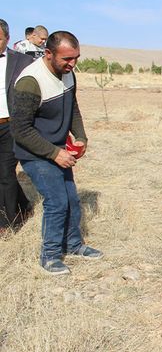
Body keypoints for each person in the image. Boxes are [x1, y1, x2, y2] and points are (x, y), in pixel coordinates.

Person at [11, 31, 102, 275]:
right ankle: (50, 256)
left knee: (71, 199)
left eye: (76, 58)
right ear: (48, 54)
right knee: (57, 202)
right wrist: (54, 153)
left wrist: (80, 137)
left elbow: (73, 109)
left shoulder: (68, 74)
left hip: (58, 149)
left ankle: (73, 245)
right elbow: (20, 130)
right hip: (35, 152)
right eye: (67, 59)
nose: (72, 64)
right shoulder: (31, 81)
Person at [0, 19, 33, 237]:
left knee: (5, 173)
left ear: (8, 39)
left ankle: (9, 222)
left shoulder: (23, 61)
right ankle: (25, 206)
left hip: (10, 125)